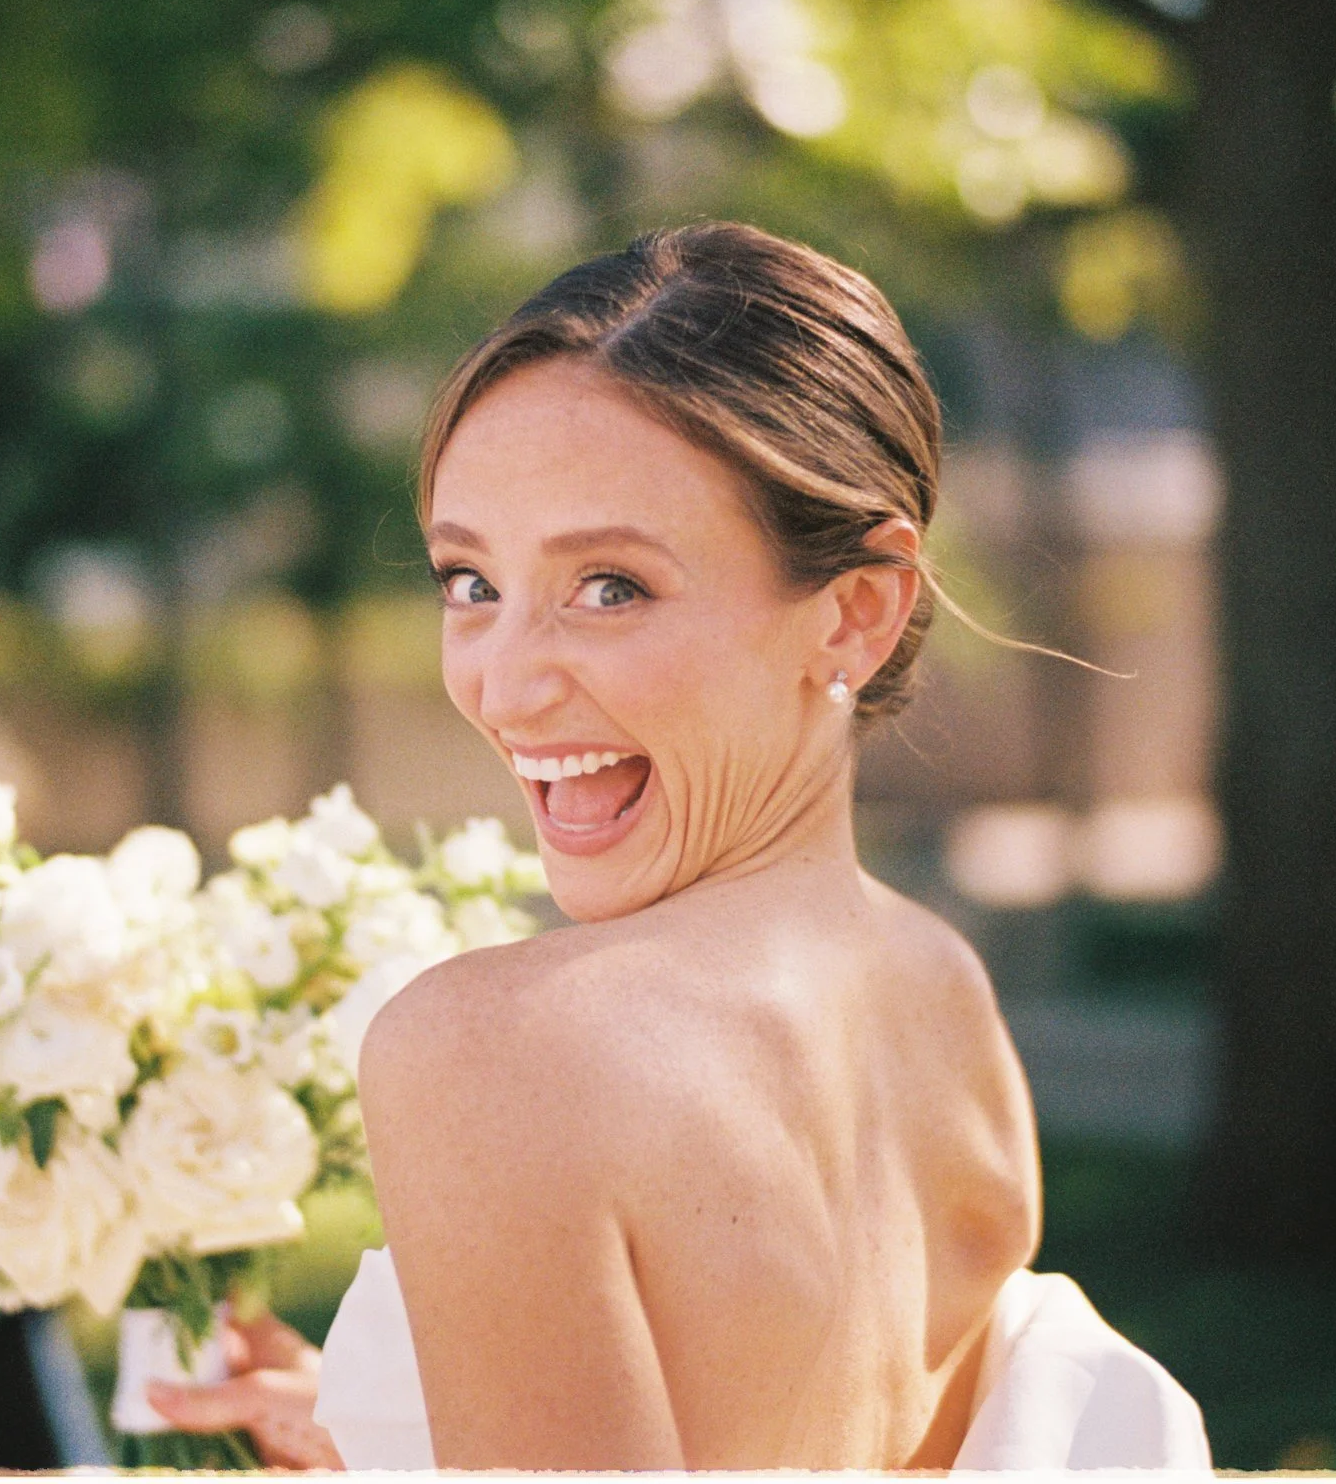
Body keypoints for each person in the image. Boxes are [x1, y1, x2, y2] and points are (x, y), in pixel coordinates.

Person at [149, 223, 1208, 1470]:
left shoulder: (496, 1051)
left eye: (610, 587)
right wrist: (389, 1429)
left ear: (857, 612)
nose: (505, 686)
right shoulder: (943, 998)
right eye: (469, 580)